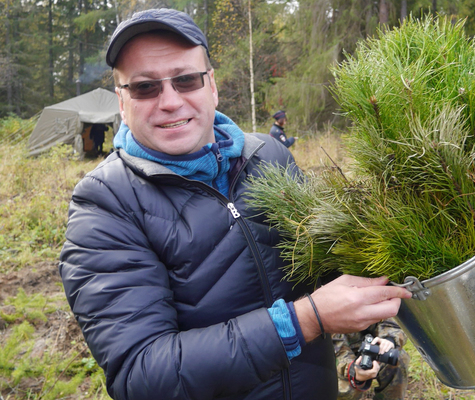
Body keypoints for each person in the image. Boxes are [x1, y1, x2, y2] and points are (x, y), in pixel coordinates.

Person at [58, 8, 411, 400]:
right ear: (122, 103)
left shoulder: (270, 155)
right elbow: (142, 373)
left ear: (212, 87)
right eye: (145, 87)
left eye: (186, 79)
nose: (170, 101)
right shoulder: (104, 204)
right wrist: (303, 321)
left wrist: (370, 328)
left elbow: (322, 269)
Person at [334, 319, 410, 400]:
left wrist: (389, 339)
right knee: (347, 388)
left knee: (397, 359)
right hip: (331, 359)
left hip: (370, 346)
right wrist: (352, 370)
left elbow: (393, 319)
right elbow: (335, 349)